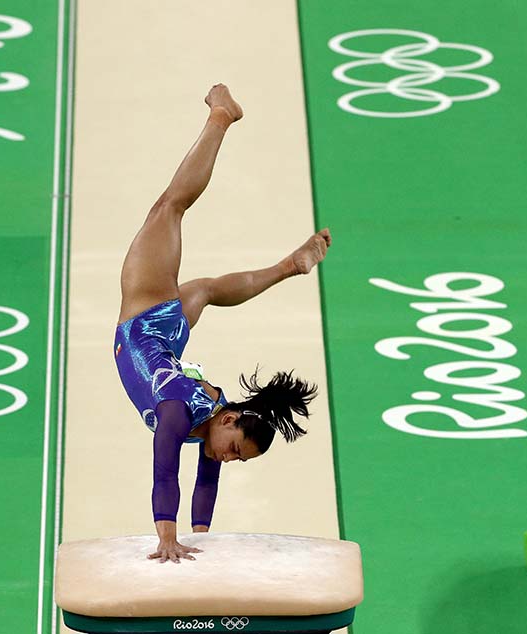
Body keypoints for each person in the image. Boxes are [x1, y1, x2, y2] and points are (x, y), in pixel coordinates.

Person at [113, 84, 332, 564]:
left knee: (208, 290)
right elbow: (165, 472)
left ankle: (287, 267)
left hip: (168, 337)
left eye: (237, 458)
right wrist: (166, 538)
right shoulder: (178, 413)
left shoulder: (214, 419)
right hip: (145, 316)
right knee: (169, 207)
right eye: (235, 450)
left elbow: (205, 485)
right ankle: (221, 117)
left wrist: (202, 540)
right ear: (230, 420)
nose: (228, 459)